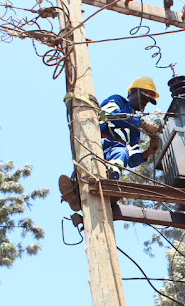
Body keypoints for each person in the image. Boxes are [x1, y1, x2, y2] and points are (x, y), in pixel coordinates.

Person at [59, 76, 164, 211]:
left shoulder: (135, 132)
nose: (145, 102)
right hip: (97, 142)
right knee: (86, 162)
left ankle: (111, 180)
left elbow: (131, 160)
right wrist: (142, 123)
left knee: (121, 152)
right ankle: (75, 187)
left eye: (148, 100)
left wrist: (149, 151)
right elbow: (111, 115)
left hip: (114, 152)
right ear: (131, 93)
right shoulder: (118, 100)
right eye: (143, 97)